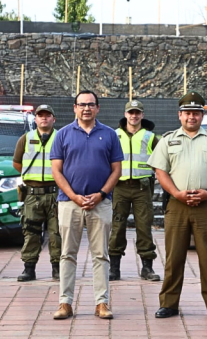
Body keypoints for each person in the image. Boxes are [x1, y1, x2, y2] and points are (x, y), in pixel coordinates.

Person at [148, 91, 207, 321]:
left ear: (202, 116)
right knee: (174, 257)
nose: (191, 117)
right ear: (180, 115)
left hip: (205, 205)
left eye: (196, 113)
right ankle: (169, 304)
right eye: (187, 113)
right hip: (177, 205)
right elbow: (160, 170)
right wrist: (176, 192)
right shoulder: (168, 140)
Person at [50, 90, 123, 320]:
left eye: (91, 104)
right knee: (67, 254)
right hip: (69, 203)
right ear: (74, 108)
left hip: (100, 203)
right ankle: (65, 303)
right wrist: (73, 196)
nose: (86, 109)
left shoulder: (110, 135)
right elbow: (56, 171)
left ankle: (101, 303)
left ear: (98, 108)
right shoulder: (62, 135)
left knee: (101, 254)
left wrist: (101, 194)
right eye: (82, 105)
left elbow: (117, 170)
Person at [109, 100, 161, 282]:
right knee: (116, 227)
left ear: (142, 115)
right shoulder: (113, 136)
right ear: (125, 114)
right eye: (131, 112)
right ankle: (114, 269)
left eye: (137, 112)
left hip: (142, 188)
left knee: (144, 228)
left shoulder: (150, 137)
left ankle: (147, 268)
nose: (134, 115)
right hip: (119, 187)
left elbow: (161, 161)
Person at [12, 104, 61, 282]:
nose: (44, 118)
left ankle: (57, 268)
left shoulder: (61, 138)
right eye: (41, 115)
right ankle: (29, 268)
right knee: (30, 231)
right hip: (32, 194)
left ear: (53, 119)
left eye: (48, 115)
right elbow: (17, 163)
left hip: (55, 192)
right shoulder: (26, 138)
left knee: (57, 232)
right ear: (35, 119)